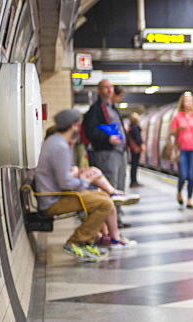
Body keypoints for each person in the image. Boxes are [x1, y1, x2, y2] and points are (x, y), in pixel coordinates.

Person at [35, 110, 137, 261]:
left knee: (103, 196)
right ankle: (77, 241)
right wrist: (85, 180)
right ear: (73, 125)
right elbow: (66, 182)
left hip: (54, 195)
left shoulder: (54, 142)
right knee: (104, 203)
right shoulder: (60, 146)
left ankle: (90, 240)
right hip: (53, 200)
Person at [83, 79, 132, 228]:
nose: (109, 90)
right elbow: (90, 131)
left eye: (111, 88)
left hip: (119, 153)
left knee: (120, 185)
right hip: (106, 153)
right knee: (110, 185)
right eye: (105, 88)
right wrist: (107, 138)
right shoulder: (96, 110)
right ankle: (110, 222)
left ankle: (118, 218)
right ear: (99, 90)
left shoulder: (113, 108)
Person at [169, 92, 193, 208]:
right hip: (182, 148)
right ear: (182, 102)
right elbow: (172, 132)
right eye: (186, 101)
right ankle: (179, 192)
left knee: (191, 176)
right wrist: (179, 129)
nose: (189, 103)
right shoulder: (178, 117)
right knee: (183, 175)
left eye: (190, 101)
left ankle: (189, 199)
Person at [127, 113, 143, 187]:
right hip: (136, 148)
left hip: (132, 148)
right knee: (135, 165)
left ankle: (133, 181)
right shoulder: (135, 127)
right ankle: (134, 182)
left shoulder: (131, 127)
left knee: (133, 165)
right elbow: (137, 138)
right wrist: (141, 145)